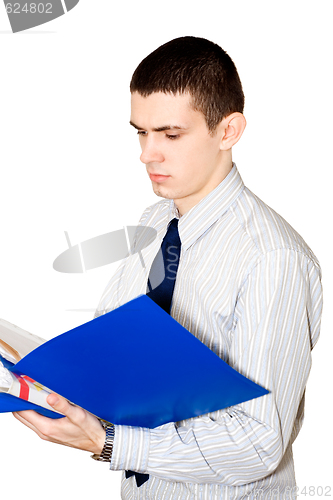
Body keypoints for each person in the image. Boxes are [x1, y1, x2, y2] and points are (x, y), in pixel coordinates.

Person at [13, 36, 322, 500]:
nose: (146, 154)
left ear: (228, 131)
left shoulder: (272, 260)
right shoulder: (156, 221)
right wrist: (45, 378)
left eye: (171, 134)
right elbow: (115, 341)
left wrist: (108, 443)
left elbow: (258, 445)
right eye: (141, 131)